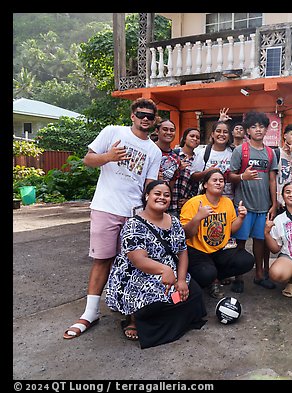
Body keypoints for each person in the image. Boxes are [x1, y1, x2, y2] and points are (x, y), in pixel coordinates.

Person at [63, 97, 162, 340]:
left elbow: (149, 185)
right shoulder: (113, 132)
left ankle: (131, 313)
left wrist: (152, 211)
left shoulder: (154, 150)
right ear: (132, 115)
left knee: (134, 263)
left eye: (150, 116)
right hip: (106, 207)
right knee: (102, 260)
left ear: (154, 120)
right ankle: (90, 313)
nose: (145, 119)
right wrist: (108, 156)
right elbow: (87, 160)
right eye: (141, 114)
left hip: (134, 213)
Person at [105, 180, 207, 348]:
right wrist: (164, 269)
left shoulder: (174, 221)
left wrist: (181, 280)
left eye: (166, 195)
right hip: (137, 274)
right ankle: (134, 317)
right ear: (147, 196)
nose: (162, 198)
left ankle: (164, 317)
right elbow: (138, 260)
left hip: (169, 271)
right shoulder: (133, 225)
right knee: (158, 300)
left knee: (193, 293)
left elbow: (182, 252)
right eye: (157, 194)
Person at [180, 168, 255, 299]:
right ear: (205, 185)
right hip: (197, 251)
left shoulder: (227, 202)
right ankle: (210, 279)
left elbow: (231, 229)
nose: (218, 183)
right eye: (214, 180)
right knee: (206, 274)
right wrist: (198, 217)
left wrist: (241, 217)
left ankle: (216, 277)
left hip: (219, 249)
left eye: (221, 181)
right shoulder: (193, 203)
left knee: (247, 260)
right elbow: (186, 234)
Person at [229, 111, 278, 290]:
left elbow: (272, 179)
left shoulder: (271, 153)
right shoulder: (240, 150)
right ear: (248, 130)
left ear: (266, 130)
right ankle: (238, 278)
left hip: (263, 206)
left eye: (261, 126)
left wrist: (274, 203)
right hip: (243, 206)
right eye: (254, 126)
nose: (258, 129)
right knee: (240, 242)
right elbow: (230, 176)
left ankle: (259, 274)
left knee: (260, 241)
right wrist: (243, 176)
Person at [190, 121, 235, 200]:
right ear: (212, 134)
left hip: (230, 200)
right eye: (218, 131)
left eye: (225, 132)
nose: (221, 134)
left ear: (229, 136)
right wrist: (207, 172)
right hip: (207, 200)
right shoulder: (203, 152)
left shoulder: (234, 153)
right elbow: (193, 176)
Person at [172, 127, 202, 216]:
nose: (195, 139)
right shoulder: (174, 154)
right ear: (185, 138)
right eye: (192, 136)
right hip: (169, 201)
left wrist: (189, 199)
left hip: (185, 204)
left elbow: (196, 184)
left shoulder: (198, 159)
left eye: (197, 137)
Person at [155, 118, 181, 215]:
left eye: (172, 130)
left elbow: (171, 185)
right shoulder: (149, 150)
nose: (169, 132)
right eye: (165, 129)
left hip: (163, 205)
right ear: (157, 131)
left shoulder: (176, 158)